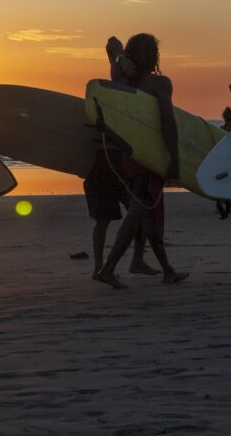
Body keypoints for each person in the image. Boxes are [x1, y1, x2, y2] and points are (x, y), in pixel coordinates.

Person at [96, 33, 188, 288]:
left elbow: (111, 42)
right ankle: (108, 268)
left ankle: (167, 269)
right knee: (139, 211)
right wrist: (174, 156)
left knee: (150, 215)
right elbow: (168, 121)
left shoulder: (120, 76)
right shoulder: (160, 84)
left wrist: (119, 57)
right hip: (151, 156)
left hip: (130, 153)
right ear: (156, 57)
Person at [83, 37, 159, 280]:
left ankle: (137, 260)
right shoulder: (121, 75)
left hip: (134, 158)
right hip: (108, 157)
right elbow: (111, 41)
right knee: (104, 219)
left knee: (142, 214)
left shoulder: (150, 83)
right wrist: (120, 58)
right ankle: (98, 267)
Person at [215, 107, 231, 218]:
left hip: (221, 160)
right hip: (228, 161)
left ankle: (222, 211)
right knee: (226, 186)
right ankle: (225, 211)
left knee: (220, 185)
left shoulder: (220, 129)